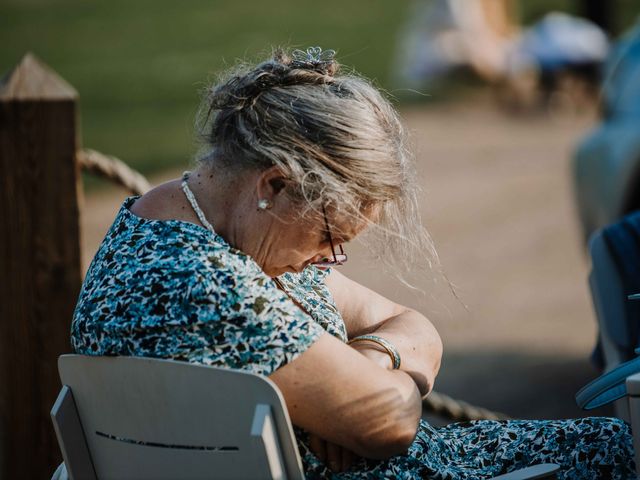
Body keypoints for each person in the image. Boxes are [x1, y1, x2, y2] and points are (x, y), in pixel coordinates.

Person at [71, 47, 636, 479]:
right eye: (328, 233)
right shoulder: (205, 286)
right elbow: (388, 424)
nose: (331, 258)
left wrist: (373, 359)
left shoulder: (173, 227)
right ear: (274, 183)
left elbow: (412, 325)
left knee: (616, 445)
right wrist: (381, 394)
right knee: (622, 452)